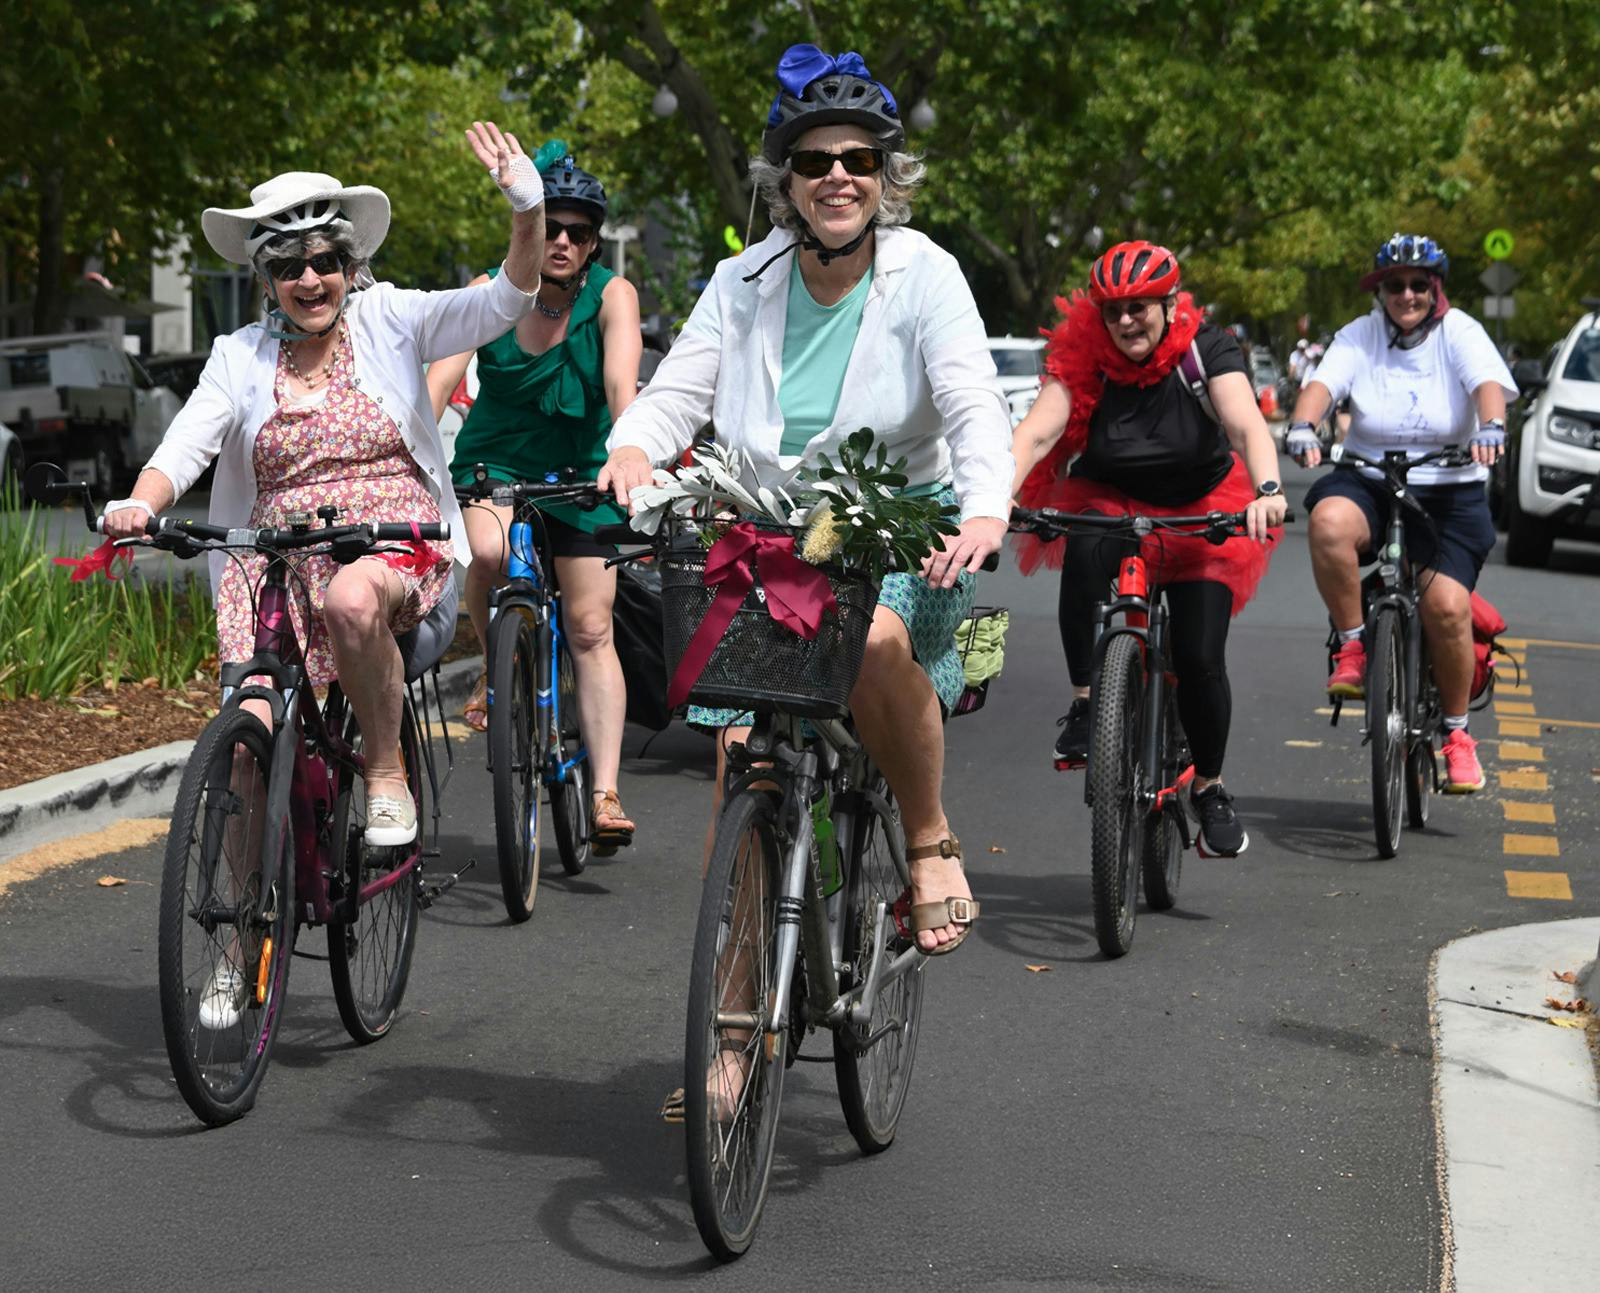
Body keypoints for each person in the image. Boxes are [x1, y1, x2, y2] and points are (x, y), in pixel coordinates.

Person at [598, 43, 1013, 958]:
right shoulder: (741, 279)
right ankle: (739, 1003)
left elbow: (973, 402)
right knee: (737, 757)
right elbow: (679, 391)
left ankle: (928, 840)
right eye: (815, 159)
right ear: (785, 179)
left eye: (858, 158)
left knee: (871, 643)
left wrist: (986, 507)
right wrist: (632, 445)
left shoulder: (927, 272)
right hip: (769, 534)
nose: (837, 176)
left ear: (884, 175)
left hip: (900, 532)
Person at [106, 121, 547, 858]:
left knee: (350, 597)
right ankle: (239, 926)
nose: (309, 280)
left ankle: (384, 770)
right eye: (289, 267)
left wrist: (526, 210)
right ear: (267, 281)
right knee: (245, 745)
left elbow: (507, 299)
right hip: (276, 559)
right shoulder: (238, 354)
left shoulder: (392, 317)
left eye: (324, 261)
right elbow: (186, 443)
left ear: (349, 264)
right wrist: (142, 503)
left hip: (392, 541)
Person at [1010, 241, 1287, 856]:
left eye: (1139, 307)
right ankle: (1087, 703)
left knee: (1200, 656)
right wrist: (990, 498)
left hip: (1202, 507)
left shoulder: (1205, 350)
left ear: (1169, 304)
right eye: (1113, 311)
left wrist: (1268, 489)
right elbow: (1036, 434)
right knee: (1085, 546)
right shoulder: (1086, 354)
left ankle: (1209, 787)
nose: (1126, 321)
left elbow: (1245, 425)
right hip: (1113, 500)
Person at [427, 143, 642, 852]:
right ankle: (497, 665)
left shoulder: (612, 295)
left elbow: (621, 388)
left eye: (579, 232)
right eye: (552, 226)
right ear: (529, 225)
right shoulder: (489, 289)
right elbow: (436, 386)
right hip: (495, 462)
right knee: (489, 551)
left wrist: (631, 455)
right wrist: (402, 458)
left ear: (593, 242)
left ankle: (604, 792)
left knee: (590, 626)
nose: (563, 241)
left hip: (585, 470)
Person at [1285, 233, 1515, 793]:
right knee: (1328, 521)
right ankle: (1354, 645)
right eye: (1394, 286)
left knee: (1447, 608)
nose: (1406, 295)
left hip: (1447, 490)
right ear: (1381, 291)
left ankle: (1457, 736)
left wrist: (1491, 427)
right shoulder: (1360, 335)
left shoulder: (1460, 332)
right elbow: (1322, 385)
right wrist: (1301, 425)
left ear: (1435, 289)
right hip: (1372, 478)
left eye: (1418, 285)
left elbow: (1487, 385)